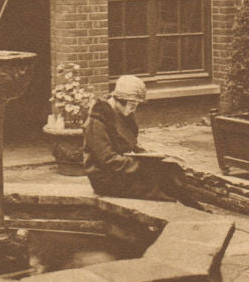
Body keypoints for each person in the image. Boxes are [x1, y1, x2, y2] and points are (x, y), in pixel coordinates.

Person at [82, 74, 206, 209]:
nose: (134, 109)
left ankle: (194, 207)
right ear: (119, 100)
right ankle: (185, 213)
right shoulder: (97, 121)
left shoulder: (121, 113)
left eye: (136, 105)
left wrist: (149, 156)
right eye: (132, 104)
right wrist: (144, 165)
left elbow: (131, 142)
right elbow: (108, 160)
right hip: (107, 179)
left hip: (123, 170)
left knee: (171, 171)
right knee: (160, 188)